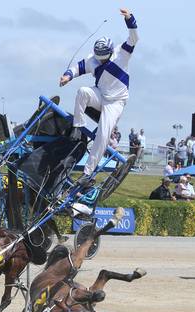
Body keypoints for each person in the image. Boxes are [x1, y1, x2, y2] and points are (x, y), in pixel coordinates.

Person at [59, 8, 138, 186]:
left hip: (116, 102)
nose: (100, 61)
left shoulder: (122, 53)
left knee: (102, 135)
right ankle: (78, 127)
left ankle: (87, 173)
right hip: (101, 95)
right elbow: (77, 67)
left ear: (110, 52)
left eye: (104, 58)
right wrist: (67, 76)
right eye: (98, 58)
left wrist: (129, 19)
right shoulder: (93, 59)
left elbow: (134, 38)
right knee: (82, 92)